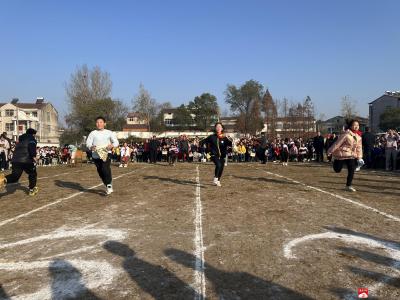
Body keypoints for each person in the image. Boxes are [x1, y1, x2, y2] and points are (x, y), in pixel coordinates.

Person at [86, 116, 119, 195]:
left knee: (105, 168)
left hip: (106, 153)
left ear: (104, 123)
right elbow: (88, 143)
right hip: (96, 155)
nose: (99, 124)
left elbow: (116, 142)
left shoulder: (109, 132)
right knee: (100, 172)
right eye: (97, 122)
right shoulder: (93, 133)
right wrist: (91, 147)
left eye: (101, 122)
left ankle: (109, 186)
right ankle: (108, 184)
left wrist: (111, 145)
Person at [1, 128, 39, 196]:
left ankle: (2, 179)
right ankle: (31, 189)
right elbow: (31, 146)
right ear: (32, 134)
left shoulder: (20, 140)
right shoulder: (31, 139)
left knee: (15, 176)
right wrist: (34, 157)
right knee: (33, 173)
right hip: (26, 160)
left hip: (15, 160)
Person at [328, 120, 363, 192]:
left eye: (358, 125)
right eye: (354, 125)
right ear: (350, 126)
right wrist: (330, 151)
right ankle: (335, 162)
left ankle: (348, 185)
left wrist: (359, 158)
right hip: (342, 155)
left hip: (351, 155)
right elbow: (337, 143)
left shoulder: (359, 137)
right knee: (337, 170)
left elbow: (359, 148)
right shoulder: (346, 134)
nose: (356, 126)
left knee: (351, 170)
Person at [200, 122, 232, 187]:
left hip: (222, 155)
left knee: (221, 168)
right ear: (215, 128)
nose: (218, 128)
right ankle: (215, 178)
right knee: (218, 164)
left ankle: (218, 180)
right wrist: (203, 148)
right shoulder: (212, 137)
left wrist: (230, 140)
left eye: (219, 127)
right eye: (217, 127)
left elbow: (230, 144)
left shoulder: (224, 138)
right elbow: (203, 141)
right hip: (213, 154)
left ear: (222, 128)